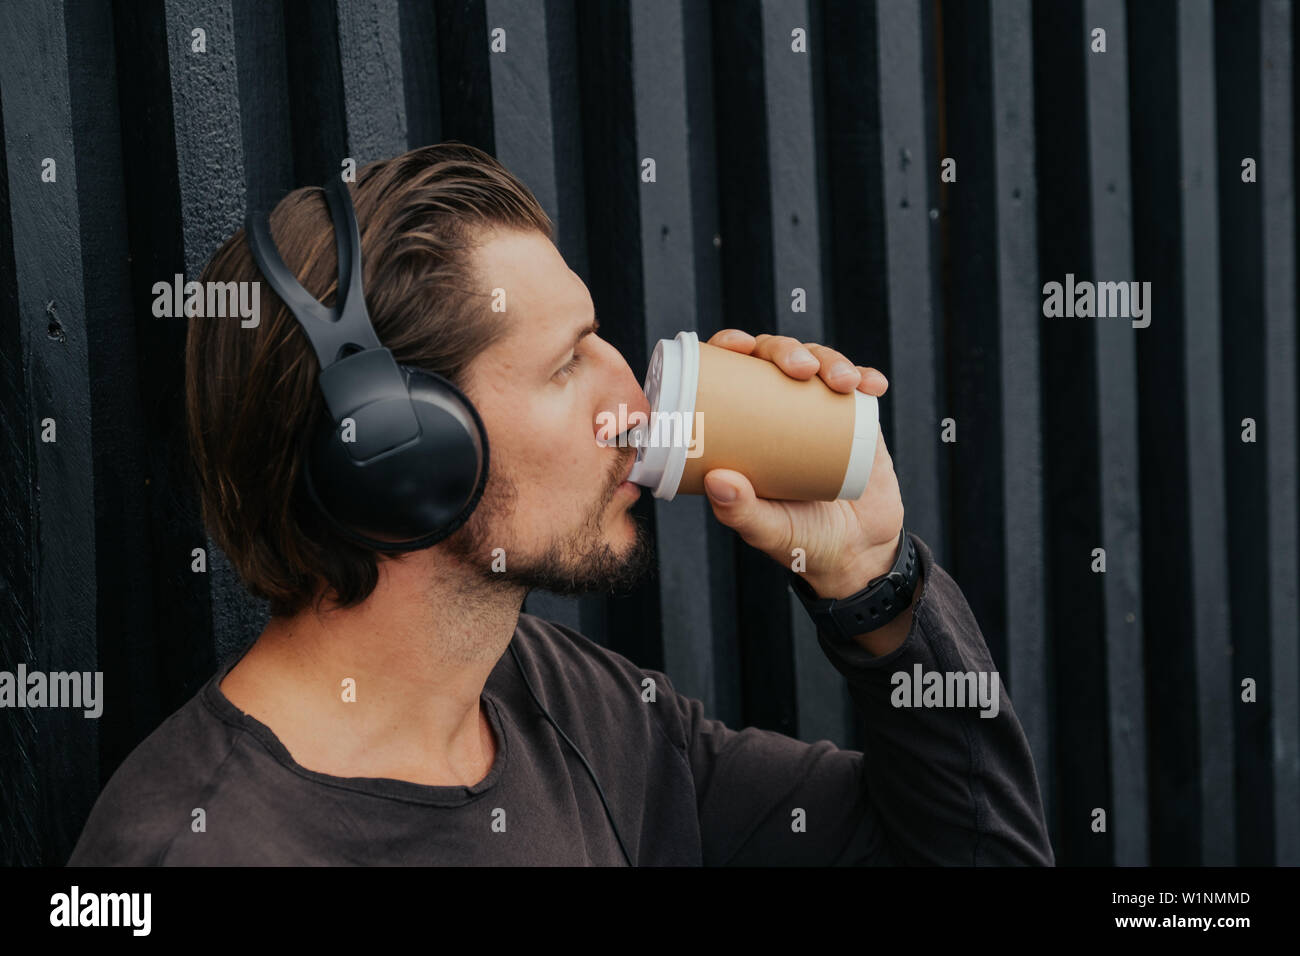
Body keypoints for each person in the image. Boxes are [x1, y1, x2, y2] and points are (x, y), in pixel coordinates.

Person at [68, 142, 1053, 865]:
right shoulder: (198, 848)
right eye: (567, 362)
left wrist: (869, 577)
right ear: (400, 448)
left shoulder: (570, 704)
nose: (634, 401)